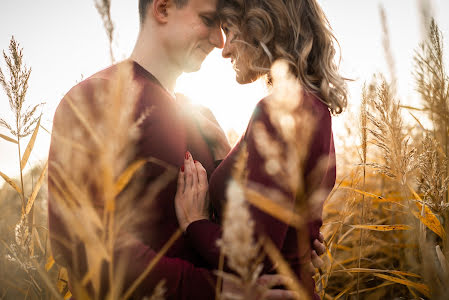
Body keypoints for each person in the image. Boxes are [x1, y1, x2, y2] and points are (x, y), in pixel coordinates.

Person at [48, 0, 301, 299]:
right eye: (209, 20)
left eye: (222, 26)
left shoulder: (201, 116)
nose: (220, 41)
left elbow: (240, 229)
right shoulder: (95, 96)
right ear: (163, 8)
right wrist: (221, 290)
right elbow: (80, 243)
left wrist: (295, 240)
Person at [174, 0, 348, 299]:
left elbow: (256, 256)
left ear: (263, 25)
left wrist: (195, 222)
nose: (224, 49)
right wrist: (222, 152)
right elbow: (276, 220)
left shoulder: (278, 112)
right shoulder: (310, 107)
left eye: (229, 29)